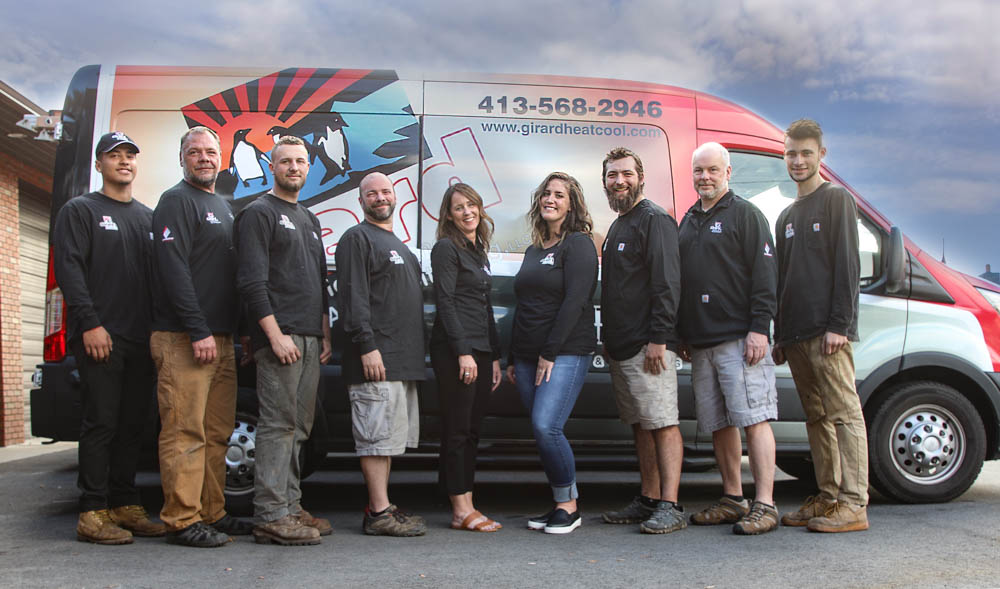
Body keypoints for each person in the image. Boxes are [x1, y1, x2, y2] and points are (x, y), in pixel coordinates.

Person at [54, 131, 166, 544]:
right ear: (98, 164)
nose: (123, 162)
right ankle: (92, 511)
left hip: (141, 338)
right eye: (114, 156)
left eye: (129, 156)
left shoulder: (147, 217)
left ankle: (124, 504)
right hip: (101, 336)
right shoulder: (79, 211)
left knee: (132, 426)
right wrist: (90, 324)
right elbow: (70, 272)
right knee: (100, 422)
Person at [150, 126, 253, 547]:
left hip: (221, 340)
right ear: (182, 159)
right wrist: (198, 328)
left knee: (215, 433)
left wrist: (238, 333)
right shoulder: (175, 201)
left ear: (222, 157)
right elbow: (173, 271)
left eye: (211, 151)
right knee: (184, 431)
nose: (205, 158)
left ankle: (213, 512)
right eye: (195, 152)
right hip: (185, 338)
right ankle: (181, 518)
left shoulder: (223, 206)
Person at [677, 142, 780, 535]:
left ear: (728, 172)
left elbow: (766, 276)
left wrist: (759, 328)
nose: (705, 177)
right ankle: (733, 499)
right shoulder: (688, 220)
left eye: (712, 170)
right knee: (719, 423)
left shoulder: (746, 215)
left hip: (741, 337)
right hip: (702, 342)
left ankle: (765, 504)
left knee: (753, 418)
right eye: (699, 170)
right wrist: (685, 332)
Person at [772, 119, 869, 533]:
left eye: (806, 153)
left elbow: (849, 266)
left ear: (821, 156)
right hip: (795, 335)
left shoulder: (837, 201)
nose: (798, 160)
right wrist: (779, 334)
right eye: (792, 153)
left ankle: (853, 505)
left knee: (845, 414)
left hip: (828, 334)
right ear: (784, 155)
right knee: (816, 417)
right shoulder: (786, 216)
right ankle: (828, 497)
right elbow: (783, 279)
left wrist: (840, 325)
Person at [235, 136, 333, 545]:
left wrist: (324, 330)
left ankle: (291, 506)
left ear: (308, 168)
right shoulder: (258, 213)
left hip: (310, 336)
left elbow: (319, 280)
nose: (294, 168)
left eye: (300, 161)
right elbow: (251, 282)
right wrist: (273, 336)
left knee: (299, 425)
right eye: (286, 162)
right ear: (271, 167)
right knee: (277, 425)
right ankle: (271, 514)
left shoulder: (308, 217)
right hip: (282, 336)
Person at [599, 147, 685, 534]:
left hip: (647, 346)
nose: (619, 181)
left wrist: (659, 339)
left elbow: (667, 284)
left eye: (626, 174)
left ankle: (671, 504)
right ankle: (649, 498)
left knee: (662, 422)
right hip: (622, 345)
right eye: (613, 175)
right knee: (641, 424)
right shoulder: (619, 224)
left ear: (641, 177)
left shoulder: (655, 220)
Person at [335, 172, 427, 536]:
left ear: (396, 196)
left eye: (385, 191)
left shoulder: (398, 244)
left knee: (386, 440)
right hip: (376, 359)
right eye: (371, 193)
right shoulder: (356, 239)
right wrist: (367, 346)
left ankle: (382, 506)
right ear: (361, 201)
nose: (379, 197)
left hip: (399, 362)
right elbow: (353, 298)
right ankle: (378, 513)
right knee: (374, 438)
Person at [506, 172, 597, 535]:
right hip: (527, 357)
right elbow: (523, 305)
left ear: (571, 204)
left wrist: (549, 353)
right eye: (546, 193)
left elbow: (575, 302)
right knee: (541, 430)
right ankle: (561, 500)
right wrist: (513, 357)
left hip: (564, 352)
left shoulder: (579, 245)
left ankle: (568, 507)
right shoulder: (533, 250)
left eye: (559, 195)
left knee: (548, 426)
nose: (551, 199)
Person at [430, 183, 504, 532]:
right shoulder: (446, 248)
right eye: (459, 207)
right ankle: (461, 509)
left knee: (472, 430)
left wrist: (494, 357)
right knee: (458, 429)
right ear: (449, 215)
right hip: (457, 350)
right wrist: (463, 352)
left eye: (471, 205)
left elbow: (484, 307)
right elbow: (445, 302)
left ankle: (464, 499)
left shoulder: (477, 249)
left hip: (481, 350)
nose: (467, 212)